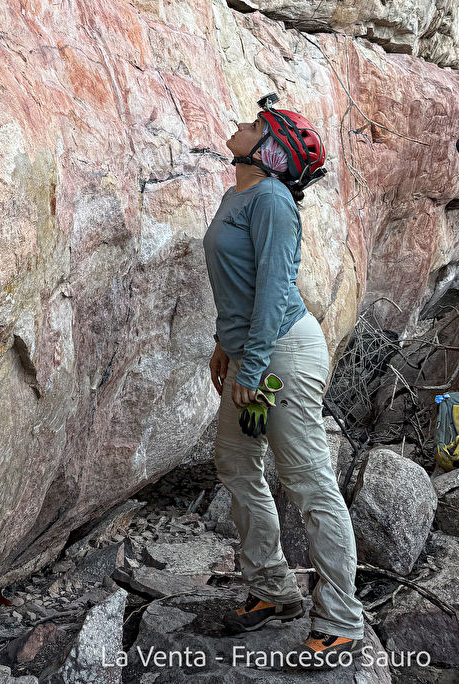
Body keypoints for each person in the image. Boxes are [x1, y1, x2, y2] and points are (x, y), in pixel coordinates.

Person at [202, 102, 367, 670]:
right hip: (253, 350)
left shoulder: (272, 200)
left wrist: (251, 369)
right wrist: (227, 343)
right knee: (235, 460)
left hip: (283, 356)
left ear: (268, 151)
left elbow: (275, 288)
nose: (243, 124)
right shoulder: (239, 196)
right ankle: (273, 586)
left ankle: (343, 621)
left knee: (308, 484)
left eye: (256, 126)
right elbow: (241, 283)